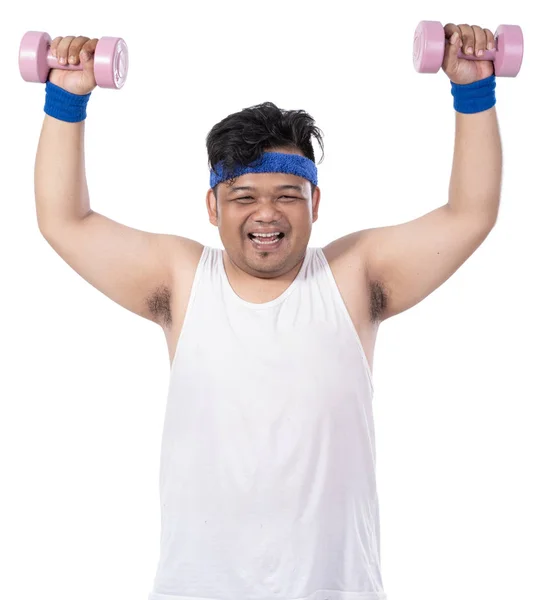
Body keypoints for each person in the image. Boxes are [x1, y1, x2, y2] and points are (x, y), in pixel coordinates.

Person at [35, 23, 501, 600]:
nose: (266, 214)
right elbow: (65, 221)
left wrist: (474, 89)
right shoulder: (180, 280)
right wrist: (68, 97)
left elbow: (469, 215)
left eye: (287, 195)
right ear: (213, 205)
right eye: (244, 197)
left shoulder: (354, 277)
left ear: (314, 203)